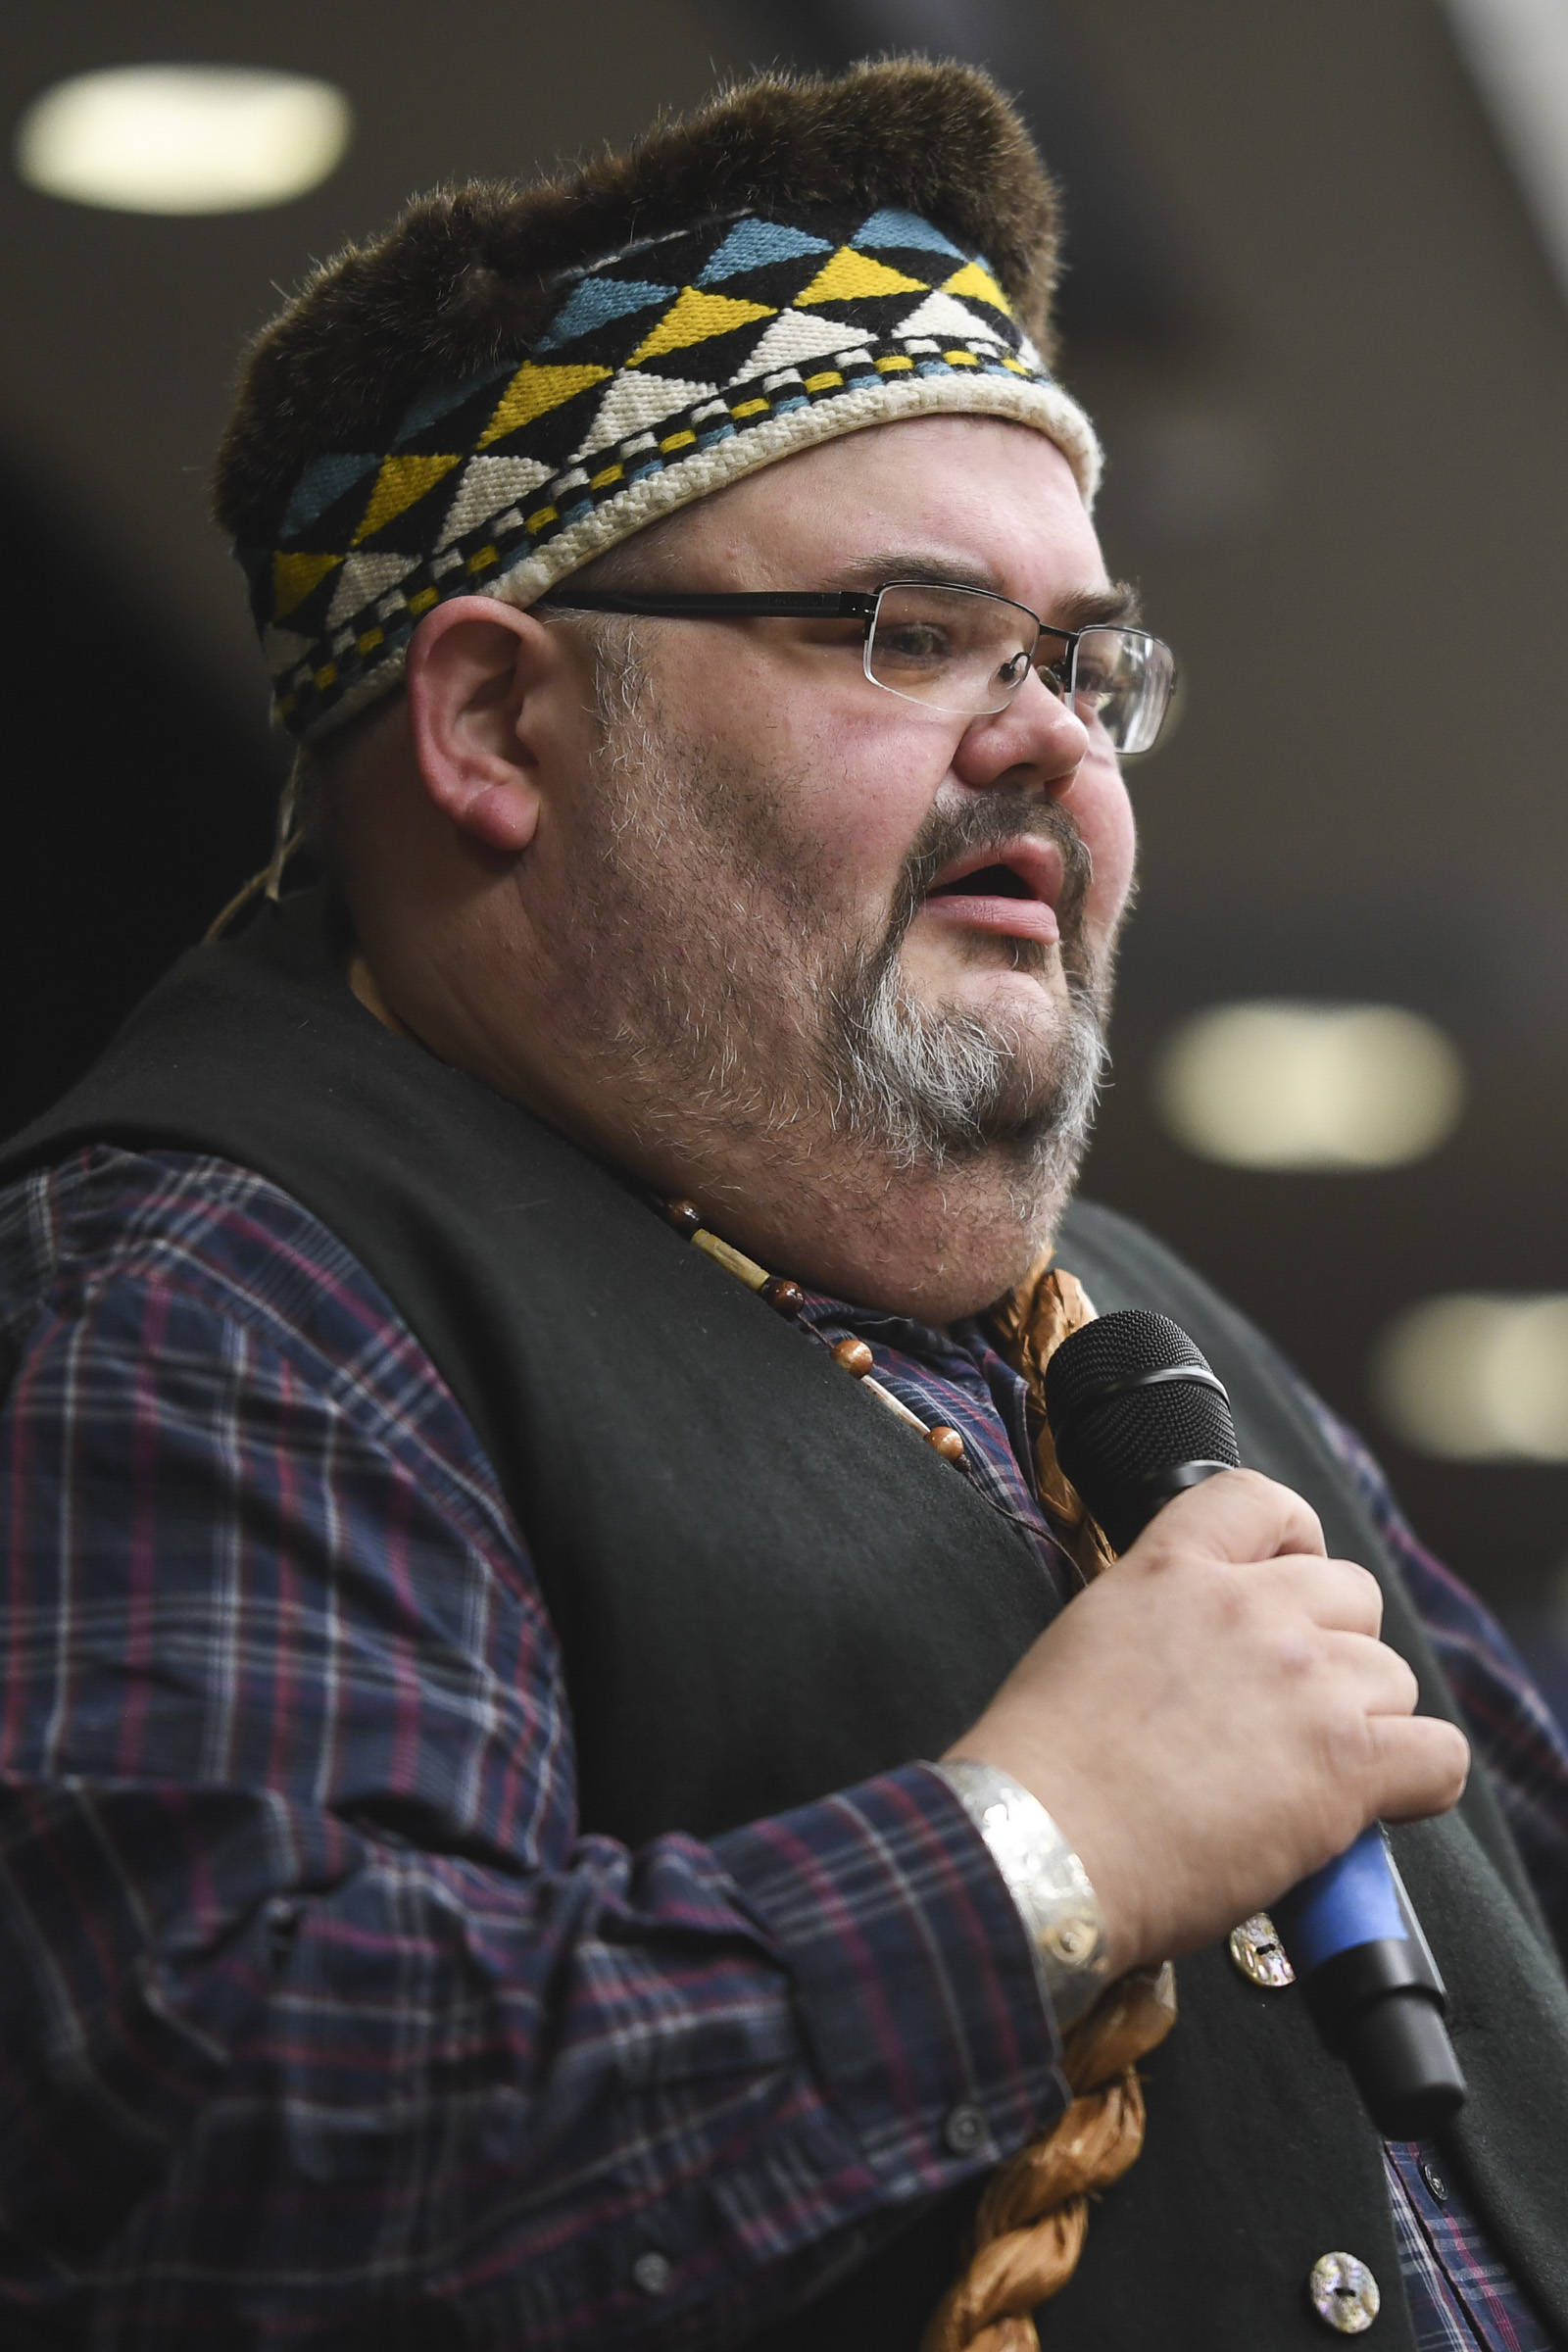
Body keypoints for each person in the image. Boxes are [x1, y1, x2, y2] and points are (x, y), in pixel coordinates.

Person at [0, 56, 1564, 2352]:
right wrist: (1037, 1852)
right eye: (904, 636)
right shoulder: (218, 1288)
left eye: (1078, 661)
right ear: (496, 731)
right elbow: (216, 2156)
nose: (1043, 735)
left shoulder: (1147, 1335)